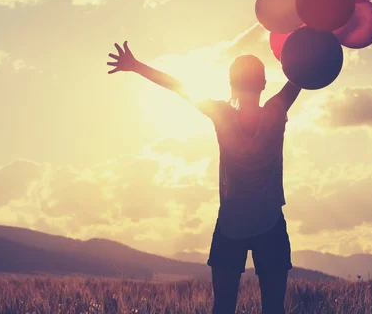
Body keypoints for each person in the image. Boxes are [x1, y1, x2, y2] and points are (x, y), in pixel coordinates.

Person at [107, 41, 301, 314]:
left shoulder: (222, 113)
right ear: (264, 83)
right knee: (273, 309)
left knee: (222, 307)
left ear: (231, 84)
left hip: (230, 226)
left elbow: (178, 87)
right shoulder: (275, 110)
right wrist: (324, 29)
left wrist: (137, 66)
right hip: (270, 225)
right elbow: (302, 73)